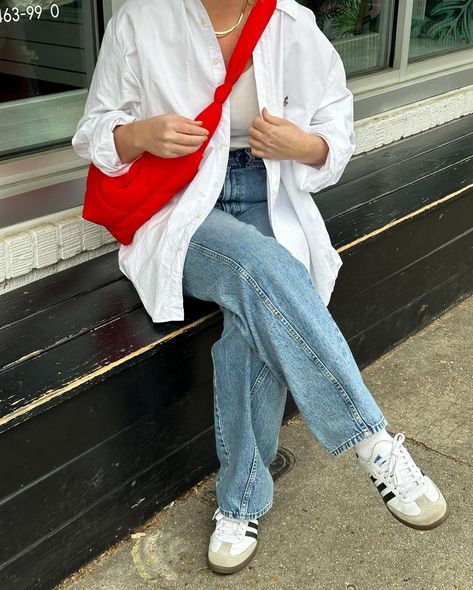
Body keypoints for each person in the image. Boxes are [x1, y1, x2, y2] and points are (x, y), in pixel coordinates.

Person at [72, 0, 449, 576]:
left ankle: (240, 501)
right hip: (178, 206)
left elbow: (335, 128)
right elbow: (92, 133)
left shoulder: (289, 21)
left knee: (253, 318)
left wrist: (303, 147)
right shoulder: (142, 18)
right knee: (263, 269)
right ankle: (372, 440)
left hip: (266, 189)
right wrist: (139, 134)